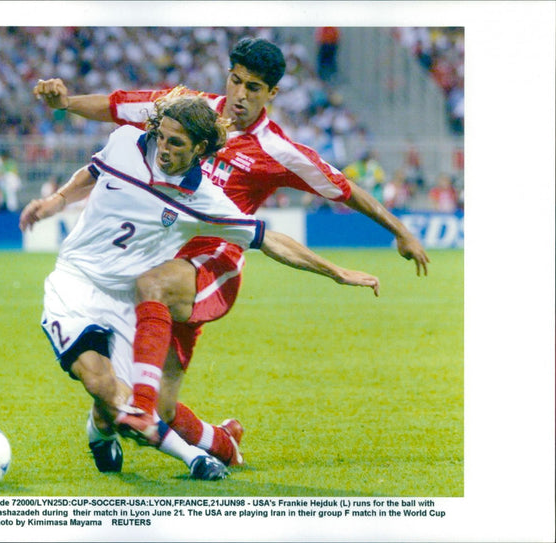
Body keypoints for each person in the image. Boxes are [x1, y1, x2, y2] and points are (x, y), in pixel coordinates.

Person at [32, 36, 423, 457]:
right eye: (235, 81)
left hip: (211, 267)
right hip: (159, 255)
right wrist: (66, 102)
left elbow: (345, 190)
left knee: (151, 290)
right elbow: (117, 106)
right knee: (153, 399)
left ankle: (131, 415)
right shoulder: (185, 110)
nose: (239, 94)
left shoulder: (276, 150)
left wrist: (398, 230)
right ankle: (219, 440)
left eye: (253, 88)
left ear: (272, 93)